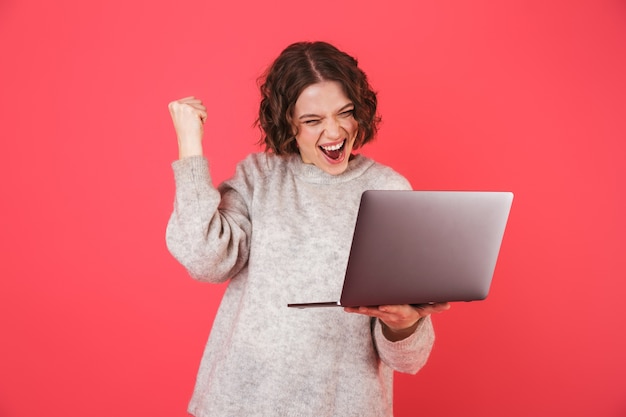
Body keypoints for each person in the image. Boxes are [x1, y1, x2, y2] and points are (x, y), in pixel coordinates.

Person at [166, 41, 450, 417]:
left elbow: (409, 359)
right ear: (288, 124)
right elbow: (204, 259)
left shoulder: (389, 191)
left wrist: (405, 324)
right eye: (313, 120)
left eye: (344, 113)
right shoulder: (259, 178)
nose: (334, 132)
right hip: (239, 403)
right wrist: (190, 146)